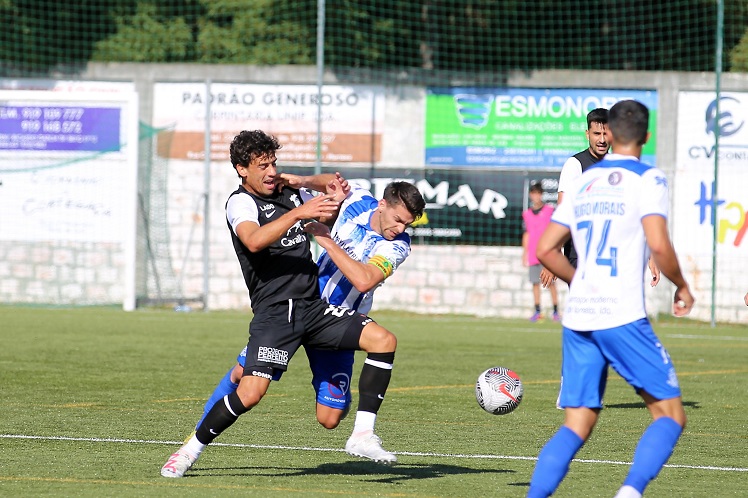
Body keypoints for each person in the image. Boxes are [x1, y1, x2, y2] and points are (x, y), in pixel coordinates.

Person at [160, 130, 407, 478]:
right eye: (263, 165)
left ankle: (363, 434)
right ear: (241, 169)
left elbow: (330, 184)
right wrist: (299, 214)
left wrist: (312, 185)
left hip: (314, 306)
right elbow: (254, 239)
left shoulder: (287, 190)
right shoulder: (240, 202)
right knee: (250, 392)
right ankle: (188, 451)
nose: (271, 171)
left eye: (274, 163)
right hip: (277, 312)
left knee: (383, 343)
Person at [528, 100, 695, 498]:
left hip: (580, 316)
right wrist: (681, 285)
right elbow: (658, 241)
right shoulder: (648, 178)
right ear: (646, 137)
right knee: (670, 416)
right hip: (620, 314)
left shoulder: (584, 180)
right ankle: (630, 492)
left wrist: (581, 280)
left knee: (577, 425)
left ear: (611, 134)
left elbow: (546, 249)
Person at [194, 179, 425, 432]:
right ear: (382, 204)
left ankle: (340, 400)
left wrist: (327, 241)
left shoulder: (398, 245)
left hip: (340, 322)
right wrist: (298, 180)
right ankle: (200, 429)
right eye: (398, 219)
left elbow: (363, 281)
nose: (401, 227)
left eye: (407, 223)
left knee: (330, 418)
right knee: (242, 374)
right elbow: (332, 181)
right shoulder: (358, 198)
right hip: (300, 305)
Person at [541, 108, 660, 287]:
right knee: (587, 307)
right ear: (587, 134)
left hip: (611, 256)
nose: (602, 140)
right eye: (597, 134)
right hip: (579, 254)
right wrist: (553, 254)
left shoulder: (619, 167)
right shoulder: (575, 165)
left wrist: (650, 254)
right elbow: (563, 214)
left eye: (606, 133)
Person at [522, 181, 559, 322]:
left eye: (538, 194)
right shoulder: (527, 214)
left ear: (541, 195)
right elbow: (526, 234)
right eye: (533, 194)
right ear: (531, 195)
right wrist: (524, 253)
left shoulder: (550, 211)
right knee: (535, 283)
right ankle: (538, 311)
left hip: (547, 254)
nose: (536, 197)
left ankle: (556, 311)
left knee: (550, 283)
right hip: (533, 254)